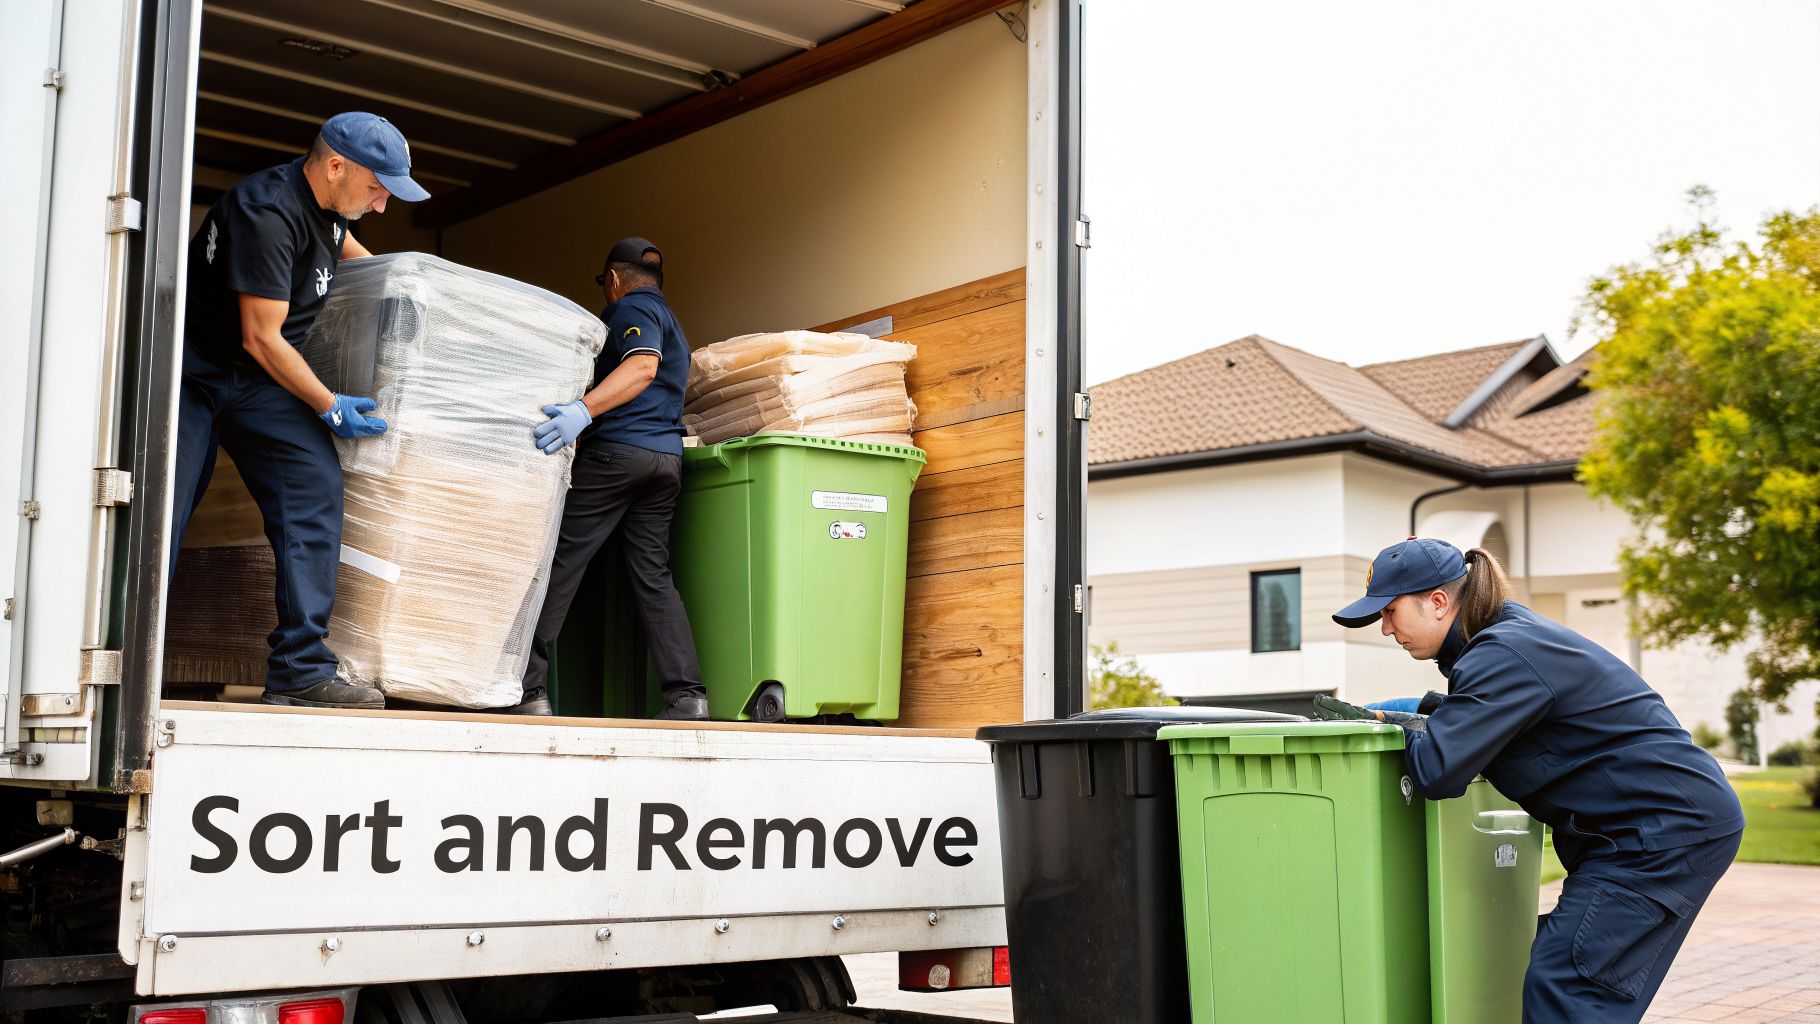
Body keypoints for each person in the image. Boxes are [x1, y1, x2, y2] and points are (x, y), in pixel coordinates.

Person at [1330, 538, 1744, 1023]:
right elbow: (1504, 720)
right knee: (1580, 977)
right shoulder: (1507, 641)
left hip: (1657, 836)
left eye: (1390, 611)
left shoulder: (1502, 653)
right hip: (1660, 827)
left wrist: (1394, 726)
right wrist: (1422, 711)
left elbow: (1438, 771)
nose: (1385, 628)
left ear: (1438, 602)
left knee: (1569, 985)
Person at [172, 112, 430, 709]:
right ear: (336, 165)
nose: (383, 204)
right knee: (167, 510)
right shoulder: (265, 213)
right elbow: (261, 336)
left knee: (313, 485)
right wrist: (329, 404)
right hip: (198, 372)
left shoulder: (332, 209)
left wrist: (414, 299)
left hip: (255, 376)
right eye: (378, 188)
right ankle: (127, 656)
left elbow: (361, 263)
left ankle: (300, 670)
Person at [515, 237, 708, 721]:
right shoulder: (675, 324)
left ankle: (527, 689)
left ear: (615, 280)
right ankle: (688, 696)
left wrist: (583, 409)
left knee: (560, 563)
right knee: (653, 577)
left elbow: (642, 367)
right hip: (665, 462)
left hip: (618, 456)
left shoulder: (628, 311)